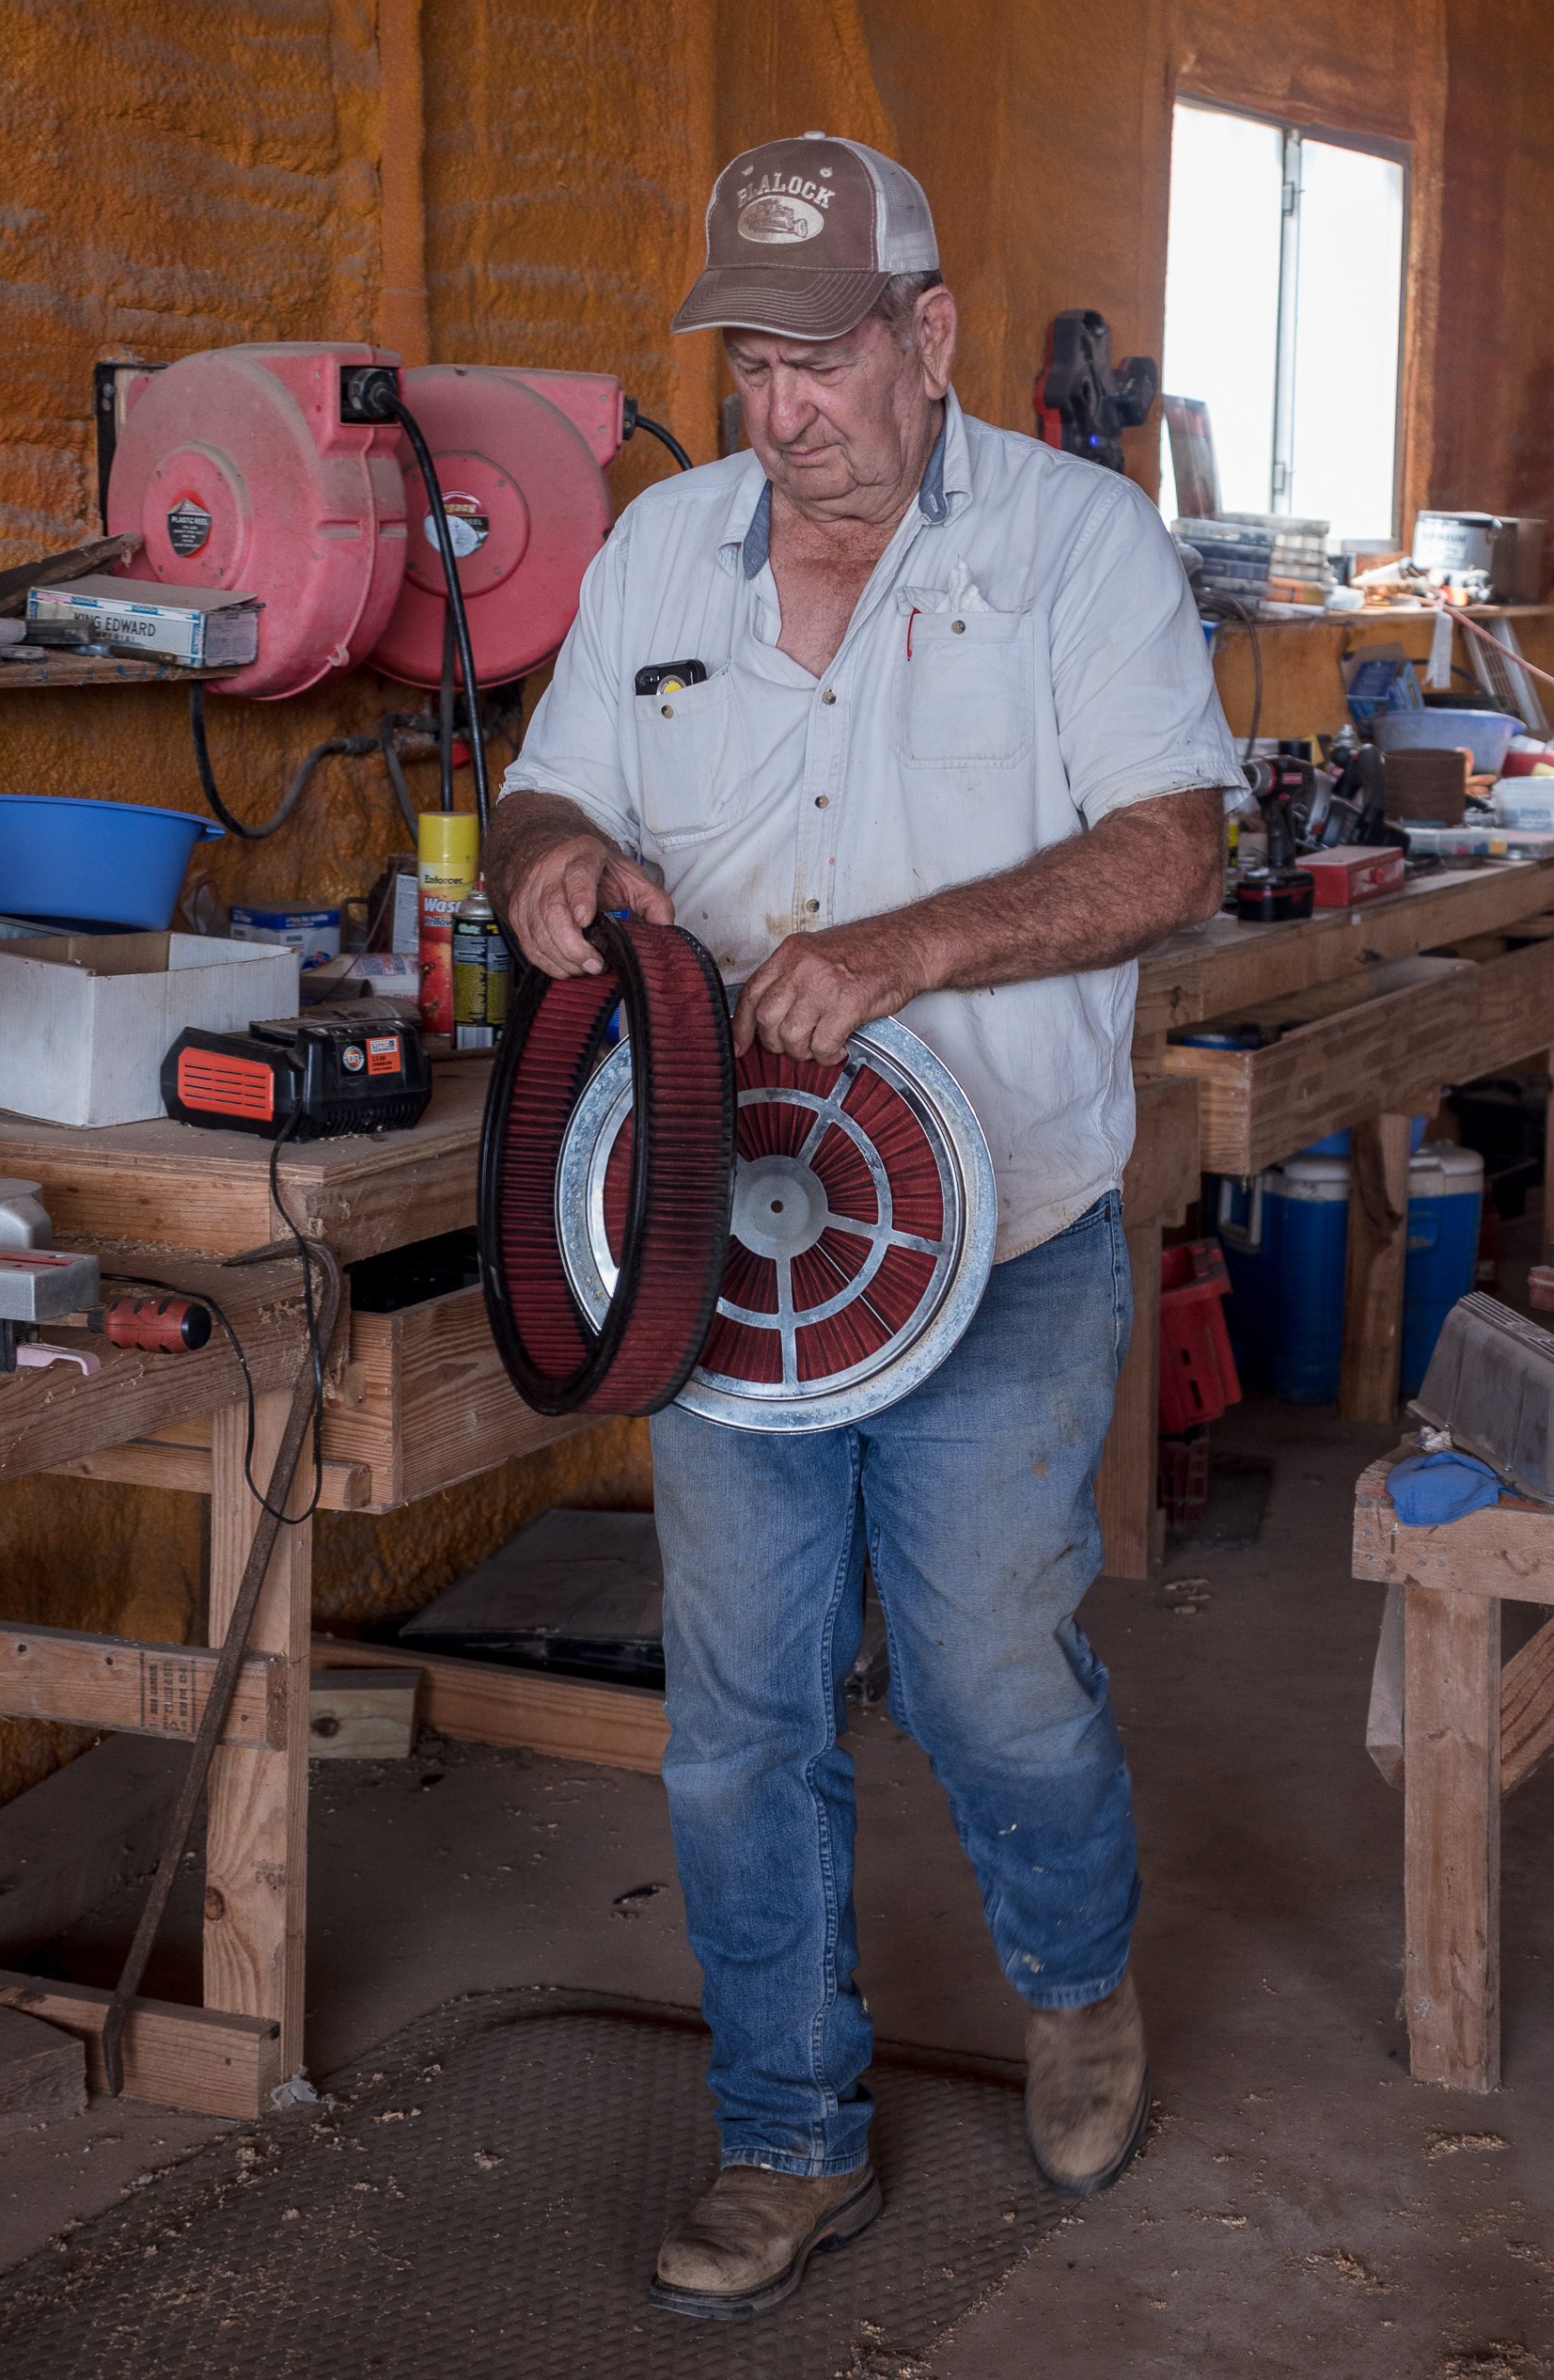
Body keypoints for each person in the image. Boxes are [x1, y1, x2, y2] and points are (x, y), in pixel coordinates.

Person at [486, 132, 1242, 2324]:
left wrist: (904, 948)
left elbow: (1171, 845)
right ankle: (786, 2127)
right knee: (738, 1708)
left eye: (818, 360)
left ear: (926, 334)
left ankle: (1074, 1980)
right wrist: (549, 864)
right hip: (719, 1248)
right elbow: (549, 786)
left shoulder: (1076, 545)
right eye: (747, 364)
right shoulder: (660, 551)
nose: (780, 408)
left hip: (993, 1235)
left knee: (989, 1678)